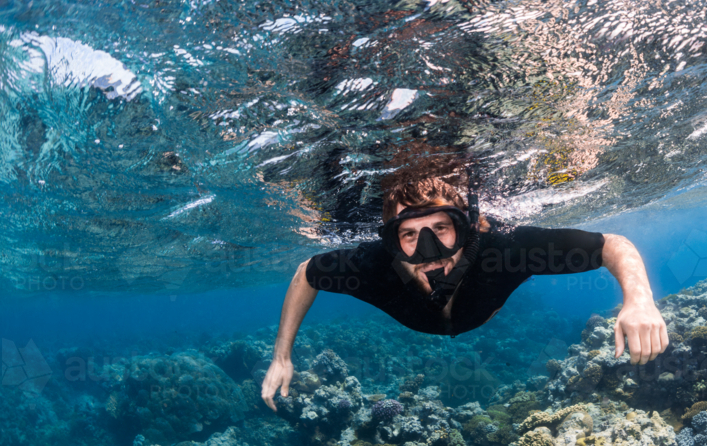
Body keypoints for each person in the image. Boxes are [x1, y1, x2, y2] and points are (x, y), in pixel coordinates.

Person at [261, 175, 668, 411]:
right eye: (409, 236)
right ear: (390, 242)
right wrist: (281, 355)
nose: (429, 253)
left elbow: (610, 245)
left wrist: (639, 299)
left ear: (467, 228)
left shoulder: (505, 251)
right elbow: (306, 273)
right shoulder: (372, 266)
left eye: (441, 229)